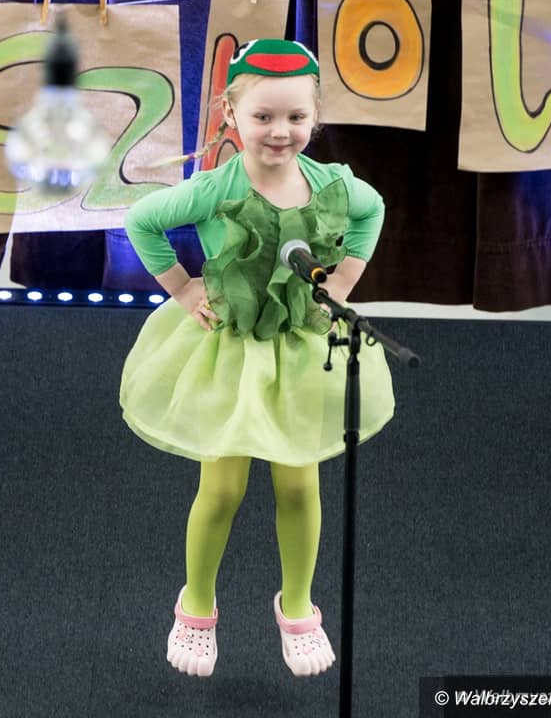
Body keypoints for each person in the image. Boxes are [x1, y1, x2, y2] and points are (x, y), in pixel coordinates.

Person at [119, 39, 395, 679]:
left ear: (315, 117)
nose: (280, 131)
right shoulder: (216, 189)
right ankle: (197, 603)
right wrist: (182, 289)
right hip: (232, 351)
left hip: (298, 349)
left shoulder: (330, 184)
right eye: (263, 116)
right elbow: (142, 221)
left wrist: (343, 282)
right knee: (222, 489)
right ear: (231, 114)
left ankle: (297, 605)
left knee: (299, 485)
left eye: (296, 117)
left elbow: (372, 209)